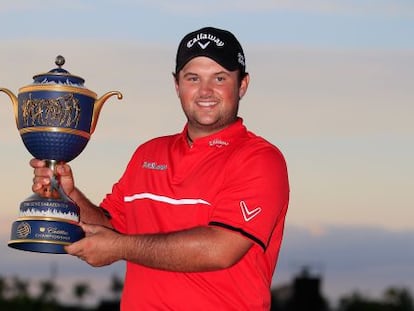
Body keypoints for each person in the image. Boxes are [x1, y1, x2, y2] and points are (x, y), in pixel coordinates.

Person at [31, 26, 290, 310]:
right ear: (177, 85)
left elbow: (220, 249)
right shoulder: (148, 153)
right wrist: (68, 195)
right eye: (193, 78)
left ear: (242, 85)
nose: (205, 91)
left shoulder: (260, 159)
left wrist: (118, 248)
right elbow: (109, 227)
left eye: (219, 78)